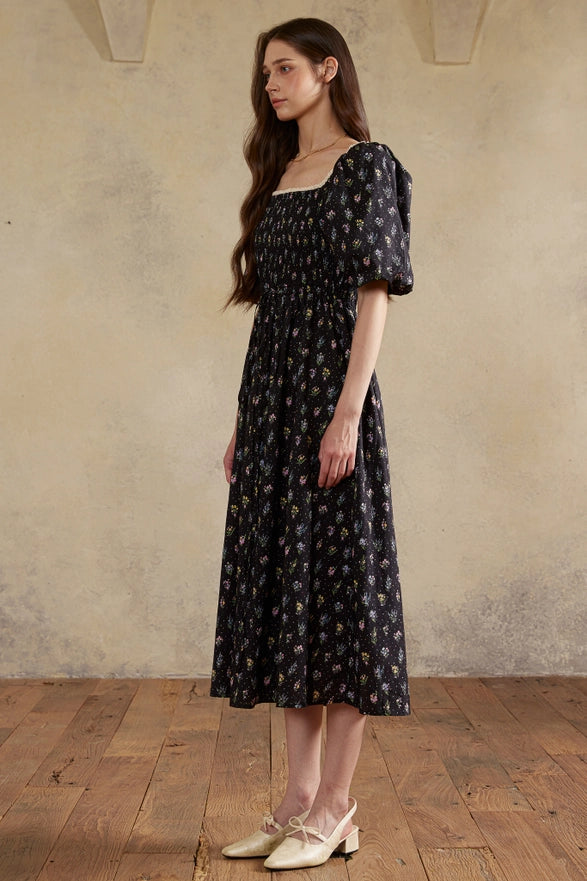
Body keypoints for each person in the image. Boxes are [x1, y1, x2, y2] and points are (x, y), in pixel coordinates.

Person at [210, 16, 413, 871]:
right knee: (289, 605)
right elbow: (271, 317)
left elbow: (374, 295)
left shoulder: (367, 165)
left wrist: (343, 412)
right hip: (271, 405)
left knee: (342, 603)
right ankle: (294, 801)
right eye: (265, 73)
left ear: (328, 71)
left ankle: (336, 805)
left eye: (285, 68)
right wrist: (243, 422)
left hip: (332, 399)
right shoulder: (281, 171)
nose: (271, 83)